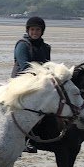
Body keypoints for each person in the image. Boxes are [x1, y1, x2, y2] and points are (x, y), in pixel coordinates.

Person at [12, 16, 51, 153]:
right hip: (22, 82)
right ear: (28, 30)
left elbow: (47, 66)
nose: (35, 32)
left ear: (42, 31)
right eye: (32, 29)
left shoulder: (46, 47)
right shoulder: (22, 45)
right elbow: (25, 67)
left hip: (40, 83)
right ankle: (25, 139)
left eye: (38, 30)